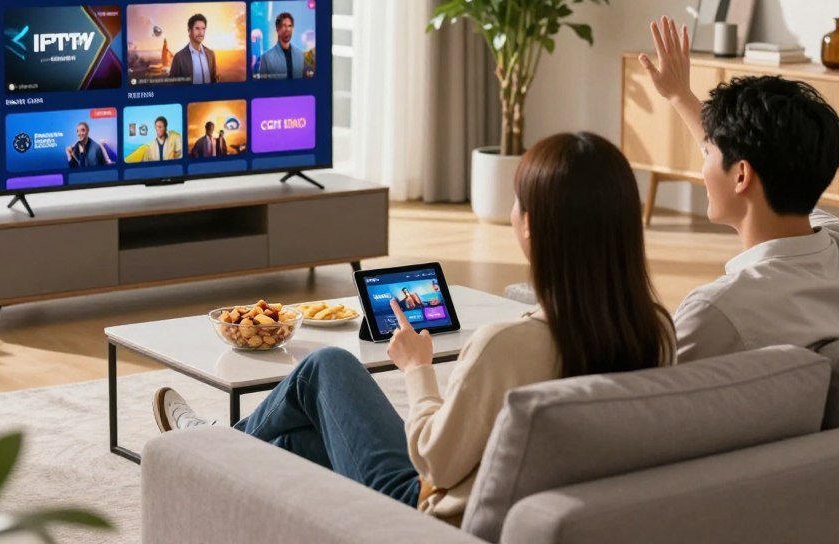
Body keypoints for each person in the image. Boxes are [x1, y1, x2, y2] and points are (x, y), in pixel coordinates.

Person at [152, 132, 674, 525]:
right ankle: (213, 450)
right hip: (522, 505)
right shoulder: (654, 330)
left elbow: (433, 462)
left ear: (531, 225)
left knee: (326, 367)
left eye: (517, 200)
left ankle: (203, 446)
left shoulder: (507, 346)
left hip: (427, 514)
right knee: (298, 438)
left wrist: (418, 369)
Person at [639, 15, 839, 361]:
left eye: (709, 153)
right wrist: (680, 95)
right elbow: (757, 163)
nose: (704, 166)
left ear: (742, 175)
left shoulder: (717, 312)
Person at [169, 13, 218, 84]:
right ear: (189, 31)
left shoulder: (211, 54)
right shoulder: (179, 57)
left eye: (203, 28)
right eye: (197, 28)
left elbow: (214, 79)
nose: (201, 32)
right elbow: (172, 84)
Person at [257, 12, 304, 79]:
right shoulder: (266, 58)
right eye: (284, 26)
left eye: (290, 26)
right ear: (277, 29)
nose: (287, 29)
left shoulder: (300, 55)